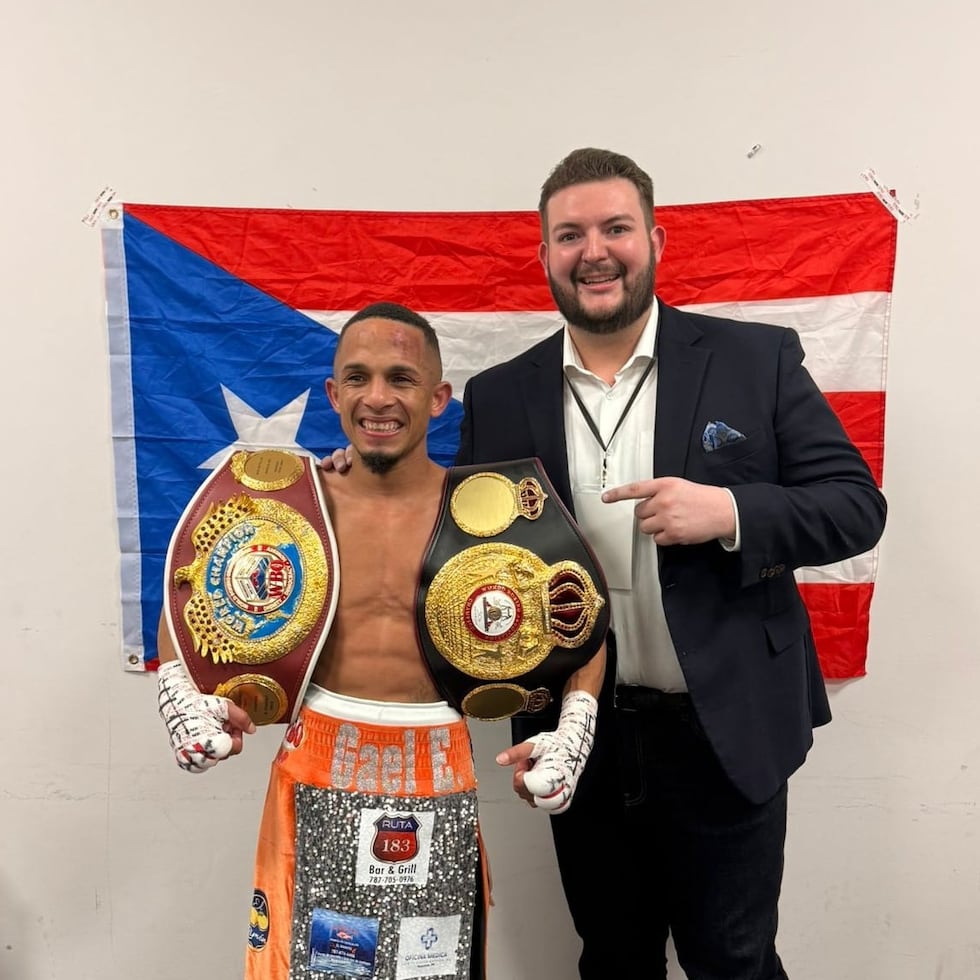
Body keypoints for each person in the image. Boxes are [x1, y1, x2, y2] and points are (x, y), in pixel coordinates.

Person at [453, 148, 888, 979]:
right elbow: (467, 560)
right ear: (543, 256)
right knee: (613, 959)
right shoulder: (499, 395)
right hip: (579, 731)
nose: (595, 250)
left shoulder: (755, 360)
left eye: (615, 228)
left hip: (723, 726)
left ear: (654, 239)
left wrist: (729, 511)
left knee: (733, 959)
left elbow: (855, 506)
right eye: (570, 234)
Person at [153, 301, 606, 980]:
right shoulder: (294, 505)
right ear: (333, 394)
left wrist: (575, 731)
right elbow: (187, 600)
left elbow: (581, 619)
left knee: (437, 967)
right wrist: (178, 697)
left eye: (401, 377)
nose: (378, 398)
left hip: (438, 772)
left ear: (438, 397)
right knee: (300, 968)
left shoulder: (490, 512)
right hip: (316, 766)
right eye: (357, 378)